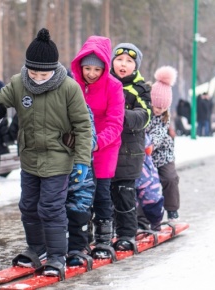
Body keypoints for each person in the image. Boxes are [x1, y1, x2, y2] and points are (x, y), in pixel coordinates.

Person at [0, 28, 92, 281]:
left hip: (58, 159)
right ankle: (37, 249)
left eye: (43, 74)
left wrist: (81, 160)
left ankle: (56, 256)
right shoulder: (19, 84)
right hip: (30, 159)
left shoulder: (69, 88)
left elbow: (83, 126)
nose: (37, 78)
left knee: (51, 208)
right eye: (33, 72)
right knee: (28, 207)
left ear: (53, 69)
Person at [69, 36, 125, 260]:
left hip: (105, 146)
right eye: (87, 68)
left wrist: (96, 142)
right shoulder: (73, 85)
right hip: (78, 148)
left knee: (101, 193)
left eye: (96, 69)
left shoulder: (114, 86)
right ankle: (82, 240)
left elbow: (115, 122)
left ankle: (103, 239)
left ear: (104, 67)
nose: (91, 73)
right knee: (80, 196)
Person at [109, 43, 152, 252]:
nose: (123, 64)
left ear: (135, 66)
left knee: (124, 196)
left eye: (128, 61)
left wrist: (120, 114)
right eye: (119, 60)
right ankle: (103, 234)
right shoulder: (103, 83)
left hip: (128, 152)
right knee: (102, 197)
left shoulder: (140, 88)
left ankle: (126, 234)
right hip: (104, 150)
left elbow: (145, 115)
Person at [146, 66, 181, 223]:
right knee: (145, 184)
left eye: (164, 107)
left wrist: (150, 143)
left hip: (164, 153)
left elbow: (160, 133)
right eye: (157, 106)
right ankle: (143, 217)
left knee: (170, 178)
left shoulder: (165, 117)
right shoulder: (143, 112)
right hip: (145, 155)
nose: (160, 110)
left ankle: (172, 210)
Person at [65, 105, 97, 267]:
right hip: (56, 171)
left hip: (81, 172)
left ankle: (77, 248)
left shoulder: (82, 108)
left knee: (78, 210)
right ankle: (55, 249)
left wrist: (74, 141)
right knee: (53, 212)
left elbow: (91, 138)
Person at [135, 133, 164, 231]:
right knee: (128, 202)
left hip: (146, 174)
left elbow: (148, 147)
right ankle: (131, 226)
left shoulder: (142, 134)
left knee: (151, 199)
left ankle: (155, 222)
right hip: (128, 173)